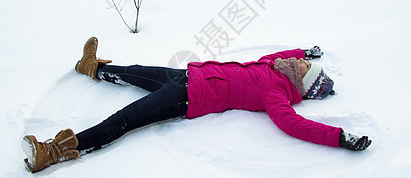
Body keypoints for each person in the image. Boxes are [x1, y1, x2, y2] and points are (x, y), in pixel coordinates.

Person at [21, 37, 372, 173]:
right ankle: (93, 68)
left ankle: (55, 151)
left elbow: (295, 125)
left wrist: (338, 136)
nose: (300, 64)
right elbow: (283, 53)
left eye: (305, 69)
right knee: (137, 72)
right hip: (186, 75)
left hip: (189, 97)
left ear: (302, 84)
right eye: (305, 63)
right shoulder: (274, 65)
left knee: (125, 119)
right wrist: (304, 50)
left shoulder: (278, 96)